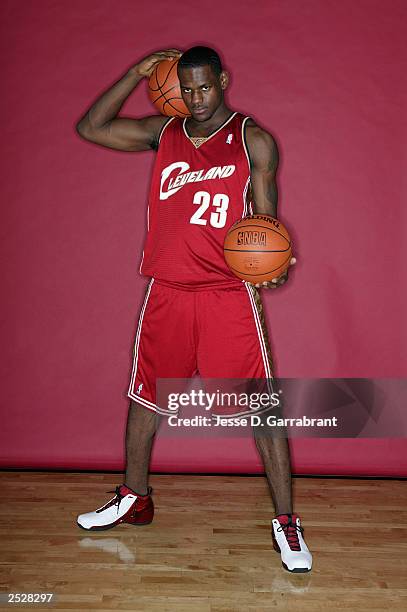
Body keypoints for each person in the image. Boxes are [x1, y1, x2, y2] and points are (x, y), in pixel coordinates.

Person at [75, 46, 312, 573]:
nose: (196, 98)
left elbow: (268, 225)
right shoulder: (164, 133)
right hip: (168, 292)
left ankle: (287, 522)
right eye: (187, 89)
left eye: (205, 87)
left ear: (224, 79)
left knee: (262, 410)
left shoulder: (254, 140)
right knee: (145, 399)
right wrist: (134, 72)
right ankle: (134, 497)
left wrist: (274, 266)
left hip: (228, 294)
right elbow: (92, 127)